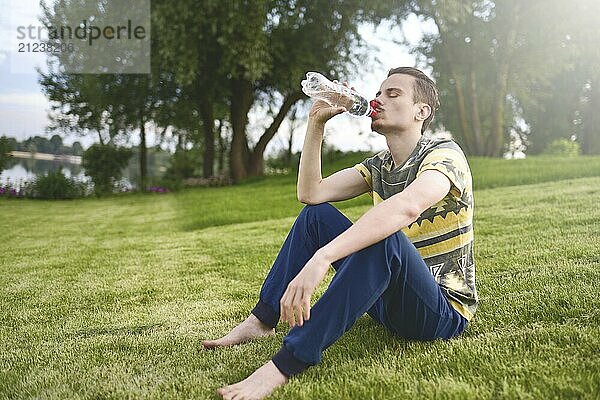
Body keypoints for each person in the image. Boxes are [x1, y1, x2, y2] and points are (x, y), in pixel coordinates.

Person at [203, 67, 478, 400]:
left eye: (393, 94)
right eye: (378, 93)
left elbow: (407, 207)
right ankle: (262, 320)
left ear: (422, 112)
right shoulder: (380, 166)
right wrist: (316, 123)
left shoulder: (444, 154)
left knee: (385, 236)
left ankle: (286, 363)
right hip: (386, 303)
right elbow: (311, 193)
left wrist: (324, 256)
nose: (378, 100)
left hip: (439, 313)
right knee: (316, 217)